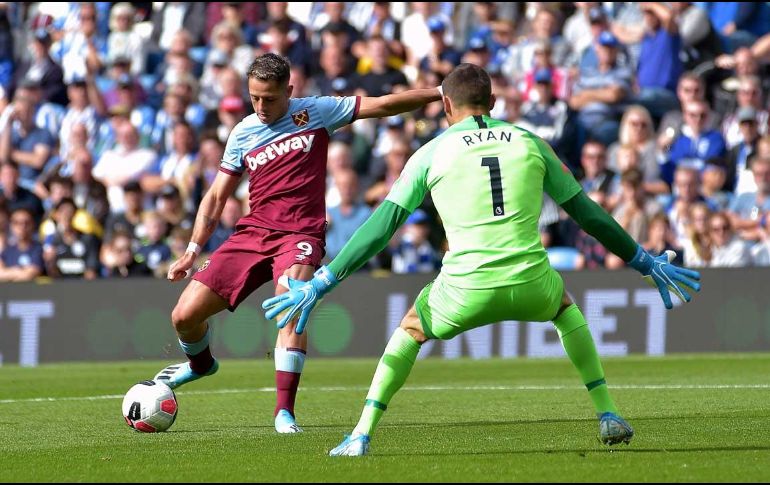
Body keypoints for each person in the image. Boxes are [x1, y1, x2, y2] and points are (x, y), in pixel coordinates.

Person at [262, 64, 702, 456]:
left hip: (463, 290)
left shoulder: (430, 153)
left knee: (410, 330)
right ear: (493, 102)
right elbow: (587, 214)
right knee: (566, 308)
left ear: (445, 104)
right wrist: (643, 260)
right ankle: (607, 412)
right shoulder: (531, 141)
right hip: (531, 283)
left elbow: (381, 227)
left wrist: (324, 280)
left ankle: (361, 433)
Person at [155, 53, 443, 435]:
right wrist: (192, 250)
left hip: (300, 234)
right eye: (254, 97)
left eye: (269, 98)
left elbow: (386, 104)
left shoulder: (319, 112)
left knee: (291, 298)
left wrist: (441, 91)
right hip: (252, 233)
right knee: (184, 316)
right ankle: (200, 364)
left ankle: (283, 412)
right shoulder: (242, 132)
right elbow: (215, 198)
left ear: (289, 91)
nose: (261, 107)